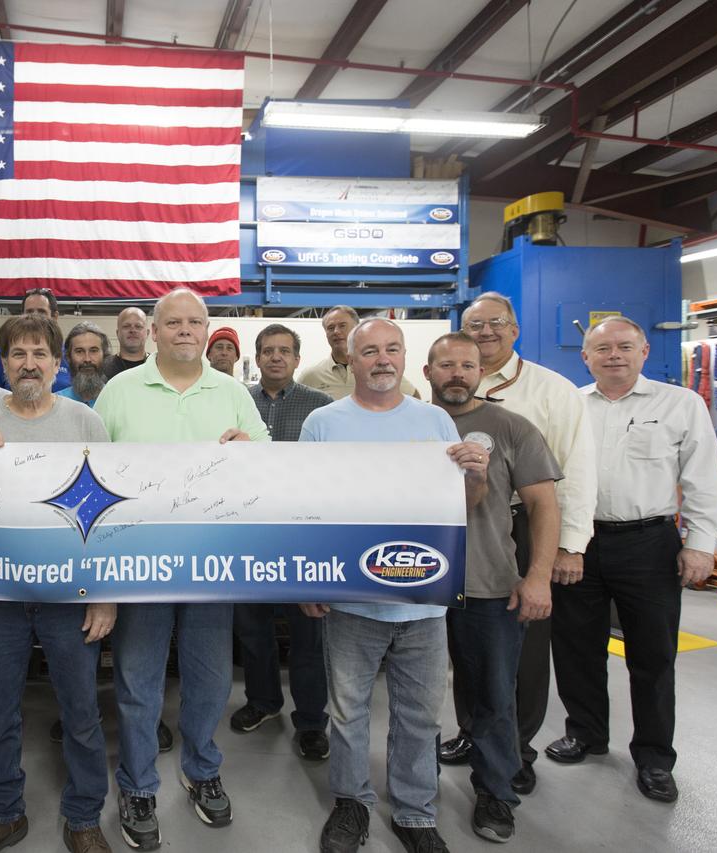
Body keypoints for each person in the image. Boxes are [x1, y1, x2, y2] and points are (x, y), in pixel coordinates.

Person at [299, 317, 487, 853]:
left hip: (423, 600)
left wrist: (475, 476)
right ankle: (351, 804)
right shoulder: (323, 423)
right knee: (348, 709)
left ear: (405, 358)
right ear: (350, 360)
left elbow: (462, 508)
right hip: (352, 600)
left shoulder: (436, 422)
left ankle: (415, 812)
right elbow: (305, 509)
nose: (382, 360)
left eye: (392, 350)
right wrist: (312, 579)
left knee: (421, 713)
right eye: (370, 352)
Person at [95, 288, 269, 850]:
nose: (186, 331)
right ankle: (138, 784)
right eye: (174, 322)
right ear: (153, 330)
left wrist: (251, 451)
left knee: (211, 678)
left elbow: (269, 468)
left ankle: (201, 768)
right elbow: (92, 475)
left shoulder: (234, 395)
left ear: (206, 329)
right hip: (138, 562)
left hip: (211, 562)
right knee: (138, 679)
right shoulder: (118, 392)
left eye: (196, 321)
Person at [0, 314, 115, 853]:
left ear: (56, 362)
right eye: (17, 353)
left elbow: (109, 516)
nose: (28, 364)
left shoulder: (85, 422)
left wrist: (105, 593)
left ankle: (84, 816)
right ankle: (3, 813)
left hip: (72, 593)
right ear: (4, 360)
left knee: (81, 711)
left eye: (39, 354)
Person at [546, 316, 717, 804]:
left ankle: (653, 756)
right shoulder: (572, 407)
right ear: (585, 358)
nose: (614, 356)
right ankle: (585, 733)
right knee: (576, 648)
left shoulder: (680, 404)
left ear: (644, 351)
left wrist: (701, 543)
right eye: (602, 349)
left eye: (625, 346)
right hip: (579, 541)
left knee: (652, 654)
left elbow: (704, 478)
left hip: (649, 543)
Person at [441, 292, 597, 796]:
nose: (484, 333)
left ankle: (516, 752)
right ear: (431, 369)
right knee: (466, 652)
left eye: (495, 325)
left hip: (517, 528)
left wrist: (564, 552)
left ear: (516, 330)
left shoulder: (548, 393)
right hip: (445, 532)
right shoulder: (430, 411)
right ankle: (473, 733)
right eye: (474, 326)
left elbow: (564, 483)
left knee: (517, 656)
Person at [426, 332, 561, 843]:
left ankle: (496, 794)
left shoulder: (511, 427)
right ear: (428, 372)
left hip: (487, 586)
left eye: (467, 364)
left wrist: (538, 577)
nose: (457, 373)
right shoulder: (412, 424)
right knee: (416, 698)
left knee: (494, 697)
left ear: (481, 371)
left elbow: (544, 507)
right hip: (415, 585)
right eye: (446, 365)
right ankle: (419, 789)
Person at [232, 324, 334, 761]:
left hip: (303, 535)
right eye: (267, 351)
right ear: (256, 358)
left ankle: (311, 720)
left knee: (308, 632)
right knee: (253, 628)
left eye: (284, 352)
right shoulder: (238, 403)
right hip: (249, 533)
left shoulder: (320, 408)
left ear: (296, 359)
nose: (276, 358)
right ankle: (263, 702)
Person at [299, 306, 419, 399]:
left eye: (342, 326)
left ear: (356, 328)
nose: (336, 331)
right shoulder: (311, 376)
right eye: (330, 328)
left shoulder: (375, 369)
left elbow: (414, 397)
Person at [0, 288, 71, 392]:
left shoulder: (70, 354)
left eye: (42, 312)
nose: (35, 316)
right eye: (29, 312)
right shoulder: (3, 353)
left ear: (54, 317)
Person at [60, 321, 112, 407]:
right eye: (79, 351)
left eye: (93, 351)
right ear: (68, 357)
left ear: (104, 355)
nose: (87, 359)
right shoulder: (55, 403)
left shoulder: (116, 399)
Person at [105, 307, 149, 377]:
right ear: (117, 333)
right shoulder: (103, 368)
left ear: (147, 333)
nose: (132, 330)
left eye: (138, 326)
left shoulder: (159, 365)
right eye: (126, 326)